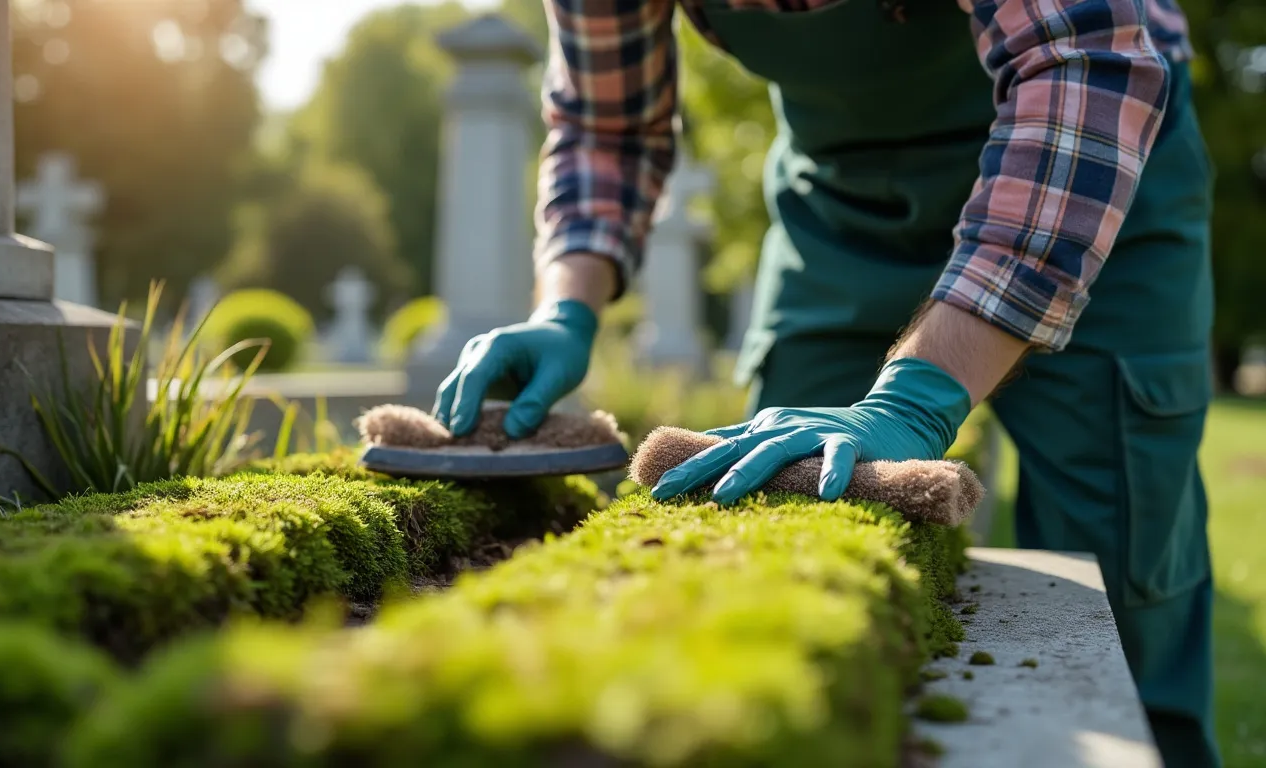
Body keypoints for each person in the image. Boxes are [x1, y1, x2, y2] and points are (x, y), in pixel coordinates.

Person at [432, 1, 1218, 764]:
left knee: (1124, 584)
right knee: (769, 513)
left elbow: (1080, 60)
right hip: (844, 210)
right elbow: (606, 127)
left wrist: (917, 395)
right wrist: (566, 307)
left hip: (1095, 170)